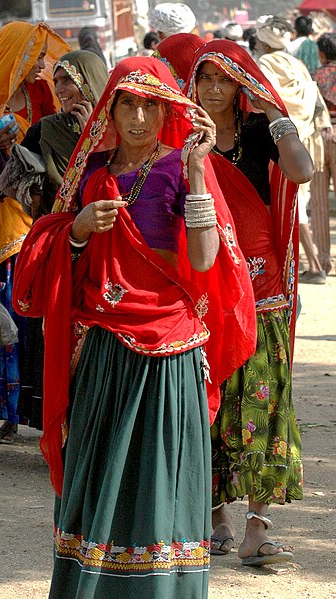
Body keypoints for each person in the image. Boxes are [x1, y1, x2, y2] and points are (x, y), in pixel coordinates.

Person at [13, 56, 256, 597]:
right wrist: (76, 230)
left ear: (167, 108)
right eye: (128, 103)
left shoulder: (181, 168)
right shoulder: (93, 175)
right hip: (103, 351)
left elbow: (205, 255)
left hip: (169, 352)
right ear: (111, 108)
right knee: (100, 480)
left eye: (151, 104)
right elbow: (50, 262)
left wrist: (197, 172)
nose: (140, 117)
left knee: (158, 486)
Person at [186, 39, 313, 566]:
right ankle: (214, 517)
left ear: (242, 84)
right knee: (210, 402)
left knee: (267, 402)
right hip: (209, 286)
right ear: (192, 83)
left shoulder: (261, 133)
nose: (215, 88)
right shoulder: (184, 139)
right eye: (206, 78)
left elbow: (302, 172)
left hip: (264, 291)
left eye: (226, 78)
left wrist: (275, 113)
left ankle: (257, 527)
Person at [0, 22, 70, 443]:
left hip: (40, 216)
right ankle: (10, 412)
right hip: (4, 224)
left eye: (43, 55)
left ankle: (40, 408)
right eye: (36, 55)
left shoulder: (43, 95)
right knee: (10, 318)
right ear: (15, 56)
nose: (43, 63)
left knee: (38, 321)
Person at [0, 50, 109, 430]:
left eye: (69, 81)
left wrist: (92, 138)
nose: (61, 89)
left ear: (91, 82)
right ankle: (64, 429)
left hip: (108, 250)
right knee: (60, 337)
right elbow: (10, 183)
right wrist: (36, 202)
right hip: (64, 248)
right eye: (57, 80)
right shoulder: (45, 130)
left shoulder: (120, 126)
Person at [256, 16, 329, 285]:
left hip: (281, 145)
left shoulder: (264, 64)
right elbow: (313, 97)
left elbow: (265, 102)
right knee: (300, 205)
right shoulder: (296, 64)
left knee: (292, 206)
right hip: (305, 140)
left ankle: (313, 266)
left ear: (262, 42)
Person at [312, 33, 336, 274]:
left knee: (319, 202)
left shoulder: (315, 77)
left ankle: (322, 263)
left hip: (318, 138)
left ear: (321, 53)